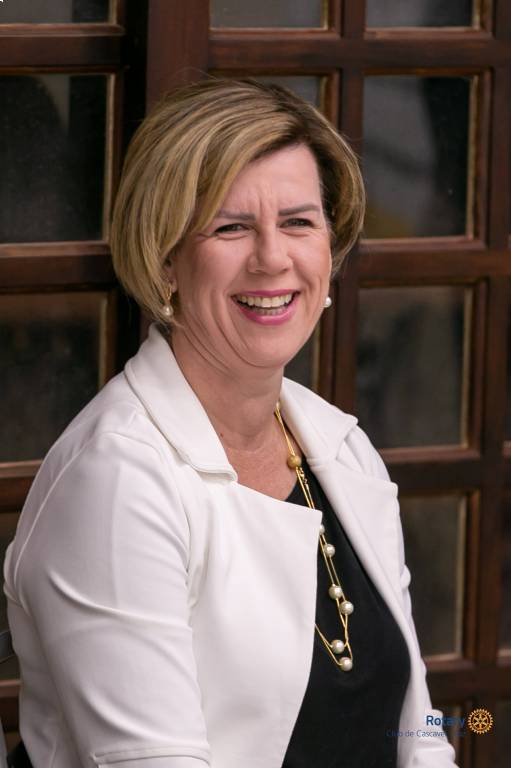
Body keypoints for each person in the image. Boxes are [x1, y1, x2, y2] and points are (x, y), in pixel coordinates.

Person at [4, 79, 458, 768]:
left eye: (298, 223)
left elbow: (419, 737)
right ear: (165, 259)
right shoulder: (117, 480)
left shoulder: (340, 447)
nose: (272, 258)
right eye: (230, 227)